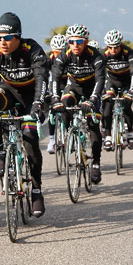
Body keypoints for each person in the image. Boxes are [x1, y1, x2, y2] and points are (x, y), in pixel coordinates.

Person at [0, 12, 49, 218]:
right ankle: (0, 152)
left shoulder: (33, 50)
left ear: (18, 37)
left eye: (8, 37)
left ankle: (36, 191)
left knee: (30, 142)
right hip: (8, 91)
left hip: (30, 97)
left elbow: (41, 80)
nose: (2, 41)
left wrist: (38, 105)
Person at [51, 24, 105, 183]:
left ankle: (95, 163)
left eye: (79, 41)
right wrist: (55, 98)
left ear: (86, 41)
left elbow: (100, 80)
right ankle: (71, 135)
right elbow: (55, 77)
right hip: (73, 88)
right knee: (64, 104)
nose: (75, 45)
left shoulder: (96, 56)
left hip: (92, 90)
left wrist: (93, 99)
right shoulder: (63, 55)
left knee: (94, 124)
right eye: (72, 41)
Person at [101, 29, 133, 151]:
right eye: (110, 47)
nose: (113, 50)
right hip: (111, 81)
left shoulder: (129, 52)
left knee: (127, 104)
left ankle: (130, 133)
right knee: (107, 103)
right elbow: (99, 74)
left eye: (116, 47)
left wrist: (132, 91)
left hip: (126, 82)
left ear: (120, 45)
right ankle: (107, 136)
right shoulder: (103, 54)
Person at [46, 34, 66, 154]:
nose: (58, 55)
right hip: (54, 85)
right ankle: (52, 139)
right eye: (55, 52)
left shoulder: (69, 57)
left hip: (67, 85)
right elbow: (45, 76)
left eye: (61, 52)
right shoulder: (48, 60)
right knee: (52, 111)